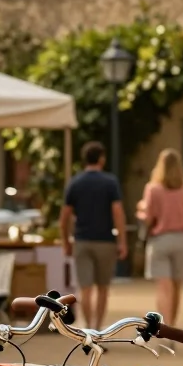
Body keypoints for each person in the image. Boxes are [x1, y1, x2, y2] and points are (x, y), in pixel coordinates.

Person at [60, 141, 127, 331]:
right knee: (103, 288)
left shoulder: (75, 183)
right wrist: (122, 240)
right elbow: (118, 212)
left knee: (85, 289)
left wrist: (66, 241)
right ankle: (98, 328)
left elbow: (64, 218)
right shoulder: (110, 182)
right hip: (106, 241)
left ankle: (87, 328)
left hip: (82, 241)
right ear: (102, 159)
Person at [141, 149, 183, 327]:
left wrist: (141, 211)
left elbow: (149, 217)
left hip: (160, 240)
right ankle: (172, 325)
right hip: (182, 240)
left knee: (163, 288)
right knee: (176, 288)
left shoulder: (152, 188)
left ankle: (162, 327)